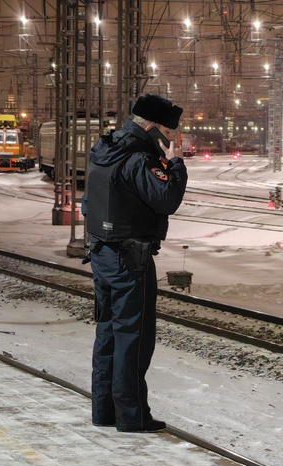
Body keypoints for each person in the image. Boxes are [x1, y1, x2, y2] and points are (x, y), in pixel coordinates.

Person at [82, 94, 187, 432]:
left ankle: (104, 410)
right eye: (169, 134)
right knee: (134, 338)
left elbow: (89, 203)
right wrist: (176, 163)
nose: (171, 140)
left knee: (109, 333)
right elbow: (166, 199)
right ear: (154, 128)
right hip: (131, 260)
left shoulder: (107, 148)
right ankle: (132, 415)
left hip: (102, 253)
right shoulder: (140, 158)